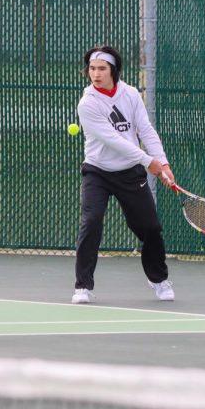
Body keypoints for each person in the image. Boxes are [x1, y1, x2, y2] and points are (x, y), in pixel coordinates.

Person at [72, 45, 175, 304]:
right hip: (97, 171)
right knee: (91, 222)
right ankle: (83, 286)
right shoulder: (87, 104)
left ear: (113, 70)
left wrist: (162, 162)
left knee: (150, 228)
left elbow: (145, 130)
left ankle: (159, 280)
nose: (95, 74)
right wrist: (148, 161)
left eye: (101, 69)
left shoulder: (130, 94)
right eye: (92, 69)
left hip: (129, 173)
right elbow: (113, 140)